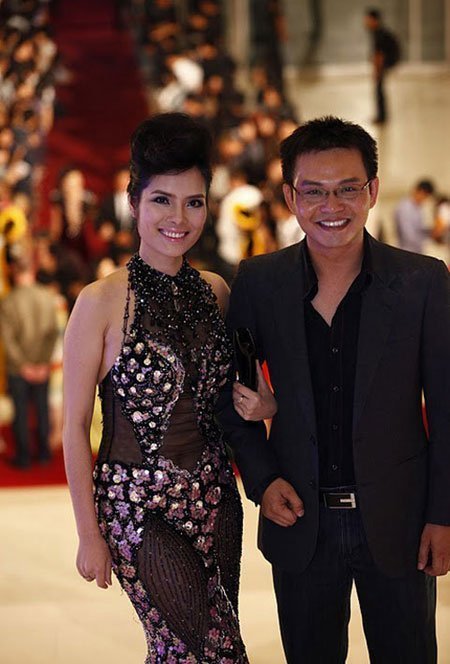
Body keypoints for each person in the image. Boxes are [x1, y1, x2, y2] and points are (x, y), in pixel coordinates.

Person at [218, 116, 450, 663]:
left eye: (348, 189)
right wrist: (262, 479)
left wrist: (442, 514)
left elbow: (446, 409)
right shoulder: (260, 281)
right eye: (314, 191)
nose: (332, 206)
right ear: (290, 197)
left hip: (399, 520)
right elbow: (229, 396)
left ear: (372, 190)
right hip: (300, 519)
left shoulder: (422, 282)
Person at [62, 112, 275, 663]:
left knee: (181, 651)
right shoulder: (99, 302)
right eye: (162, 200)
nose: (178, 218)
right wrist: (88, 533)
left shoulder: (217, 291)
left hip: (216, 498)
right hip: (138, 509)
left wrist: (265, 405)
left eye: (193, 202)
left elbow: (236, 396)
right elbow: (73, 426)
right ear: (134, 203)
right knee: (216, 650)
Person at [0, 257, 58, 468]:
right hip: (41, 364)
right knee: (42, 408)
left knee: (21, 411)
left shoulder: (9, 301)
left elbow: (8, 339)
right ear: (32, 271)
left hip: (18, 368)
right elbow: (52, 334)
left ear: (15, 274)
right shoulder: (47, 297)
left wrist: (23, 365)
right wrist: (43, 363)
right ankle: (43, 453)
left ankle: (24, 456)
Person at [364, 8, 401, 124]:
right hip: (386, 62)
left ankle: (381, 117)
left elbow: (379, 55)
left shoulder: (379, 34)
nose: (366, 22)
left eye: (368, 19)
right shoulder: (379, 32)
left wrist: (377, 72)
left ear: (374, 20)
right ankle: (381, 116)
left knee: (379, 89)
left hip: (386, 63)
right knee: (379, 90)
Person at [394, 178, 435, 254]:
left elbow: (418, 229)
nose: (425, 200)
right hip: (406, 250)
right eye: (426, 196)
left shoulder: (417, 208)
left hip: (416, 250)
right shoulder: (405, 208)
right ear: (421, 192)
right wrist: (425, 243)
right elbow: (408, 234)